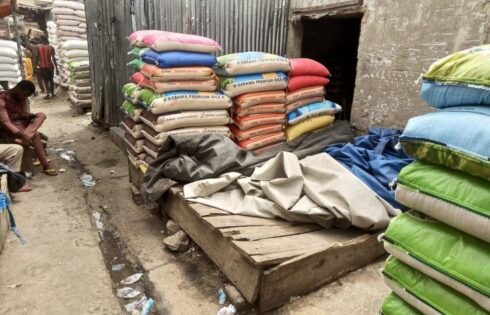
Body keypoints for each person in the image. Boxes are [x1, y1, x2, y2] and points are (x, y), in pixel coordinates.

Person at [0, 80, 57, 175]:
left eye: (26, 96)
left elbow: (23, 113)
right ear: (18, 89)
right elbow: (5, 121)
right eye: (24, 95)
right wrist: (21, 134)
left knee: (41, 115)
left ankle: (26, 136)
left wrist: (29, 116)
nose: (24, 98)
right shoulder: (2, 98)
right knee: (35, 135)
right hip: (7, 126)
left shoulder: (22, 98)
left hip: (19, 122)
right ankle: (46, 165)